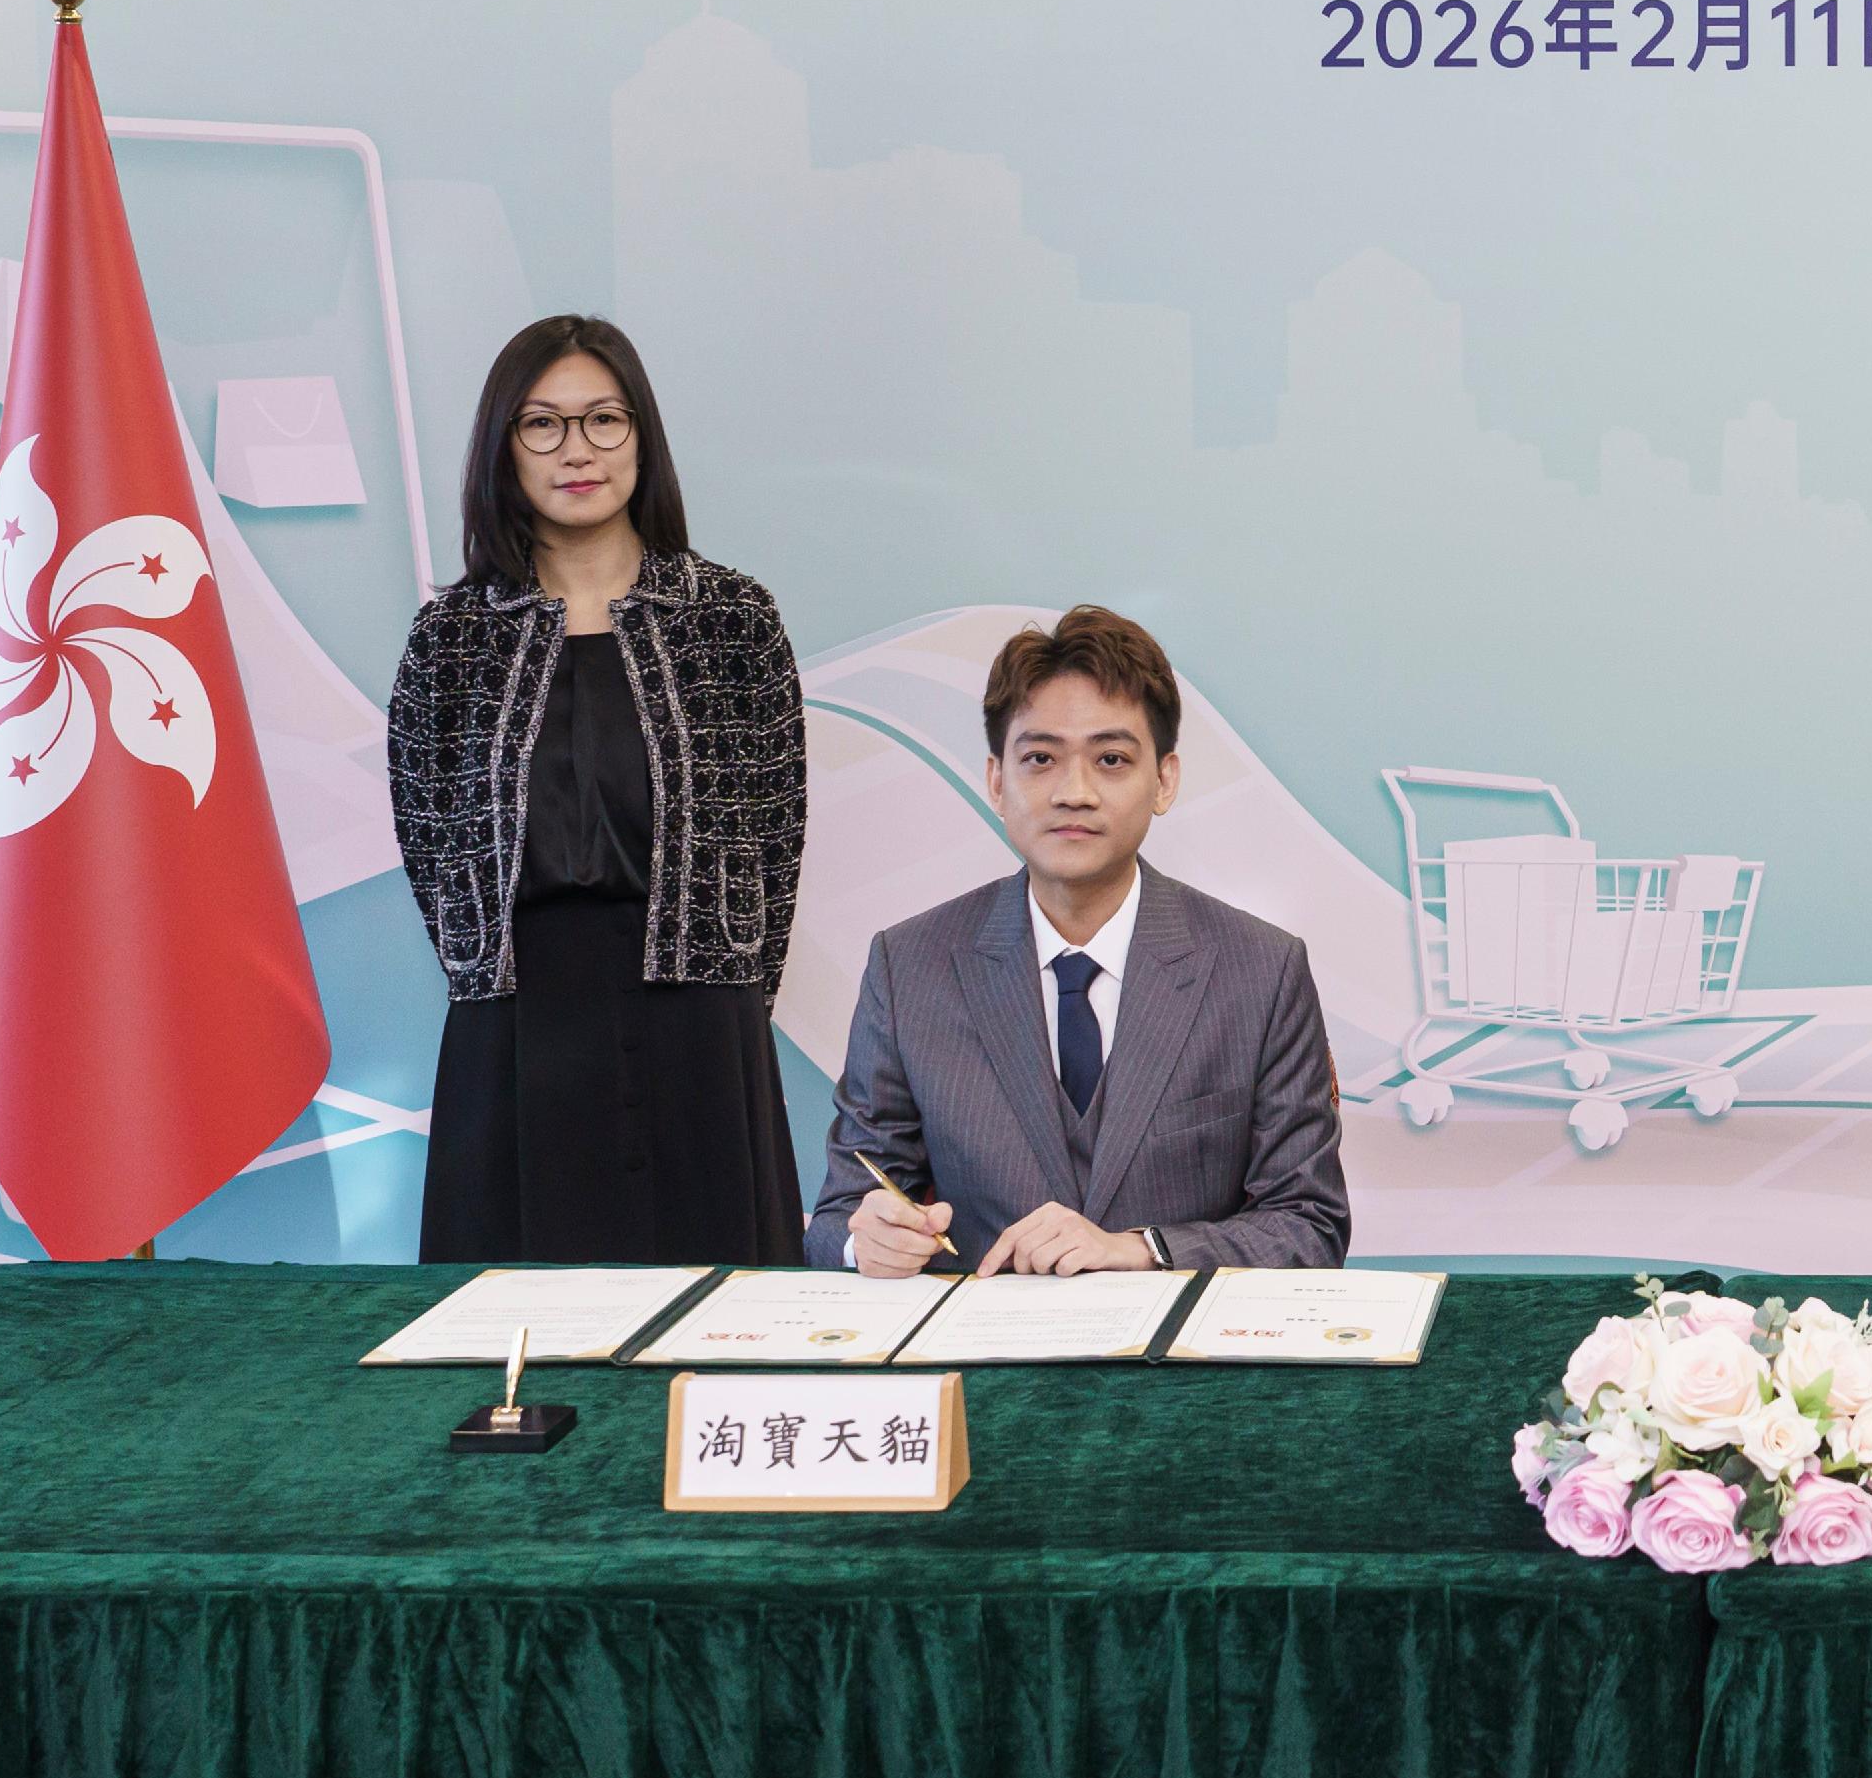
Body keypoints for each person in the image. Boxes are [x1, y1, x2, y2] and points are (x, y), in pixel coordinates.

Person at [391, 316, 808, 1264]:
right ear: (504, 448)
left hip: (700, 1018)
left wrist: (727, 986)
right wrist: (486, 965)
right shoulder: (450, 637)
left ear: (641, 437)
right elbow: (430, 840)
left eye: (604, 420)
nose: (577, 450)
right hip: (516, 1022)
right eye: (543, 424)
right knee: (516, 1316)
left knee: (718, 1313)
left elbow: (776, 836)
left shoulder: (733, 618)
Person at [808, 605, 1349, 1276]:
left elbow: (1309, 1225)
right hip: (983, 1338)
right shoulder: (910, 966)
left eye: (1111, 759)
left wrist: (1141, 1249)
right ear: (997, 781)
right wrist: (867, 1242)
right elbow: (838, 1216)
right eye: (1040, 758)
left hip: (1176, 1341)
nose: (1075, 791)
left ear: (1165, 780)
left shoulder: (1262, 970)